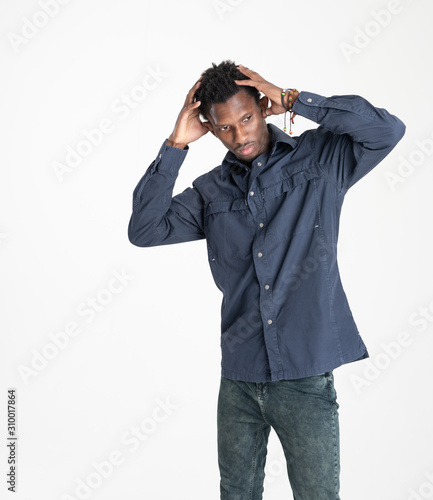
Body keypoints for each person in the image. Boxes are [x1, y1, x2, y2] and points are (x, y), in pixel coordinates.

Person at [128, 60, 405, 499]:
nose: (240, 136)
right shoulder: (210, 191)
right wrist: (175, 145)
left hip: (305, 376)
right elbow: (144, 230)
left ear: (262, 106)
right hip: (238, 379)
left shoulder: (321, 159)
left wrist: (296, 99)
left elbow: (387, 130)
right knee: (236, 493)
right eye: (224, 128)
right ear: (210, 129)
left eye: (247, 118)